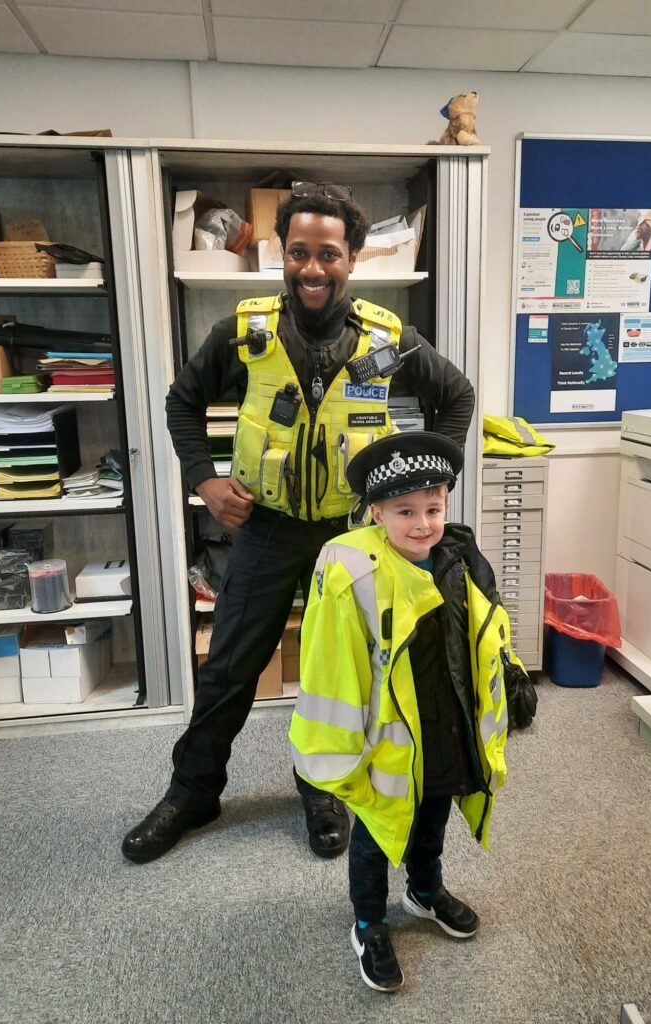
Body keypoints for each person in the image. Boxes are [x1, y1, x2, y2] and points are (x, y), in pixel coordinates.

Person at [121, 184, 475, 864]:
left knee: (340, 673)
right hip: (267, 528)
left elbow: (455, 396)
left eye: (329, 255)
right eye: (298, 252)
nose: (312, 269)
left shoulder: (388, 339)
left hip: (351, 536)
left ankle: (323, 786)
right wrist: (204, 478)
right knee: (229, 667)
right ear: (282, 253)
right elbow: (181, 402)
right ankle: (193, 790)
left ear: (353, 259)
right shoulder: (243, 332)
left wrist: (428, 484)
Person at [289, 432, 524, 992]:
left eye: (434, 508)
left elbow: (483, 634)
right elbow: (331, 666)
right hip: (387, 737)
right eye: (404, 511)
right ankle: (368, 921)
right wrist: (343, 756)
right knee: (377, 832)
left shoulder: (459, 560)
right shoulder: (352, 570)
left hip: (445, 721)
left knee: (434, 815)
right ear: (375, 511)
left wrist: (508, 678)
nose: (422, 524)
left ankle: (424, 890)